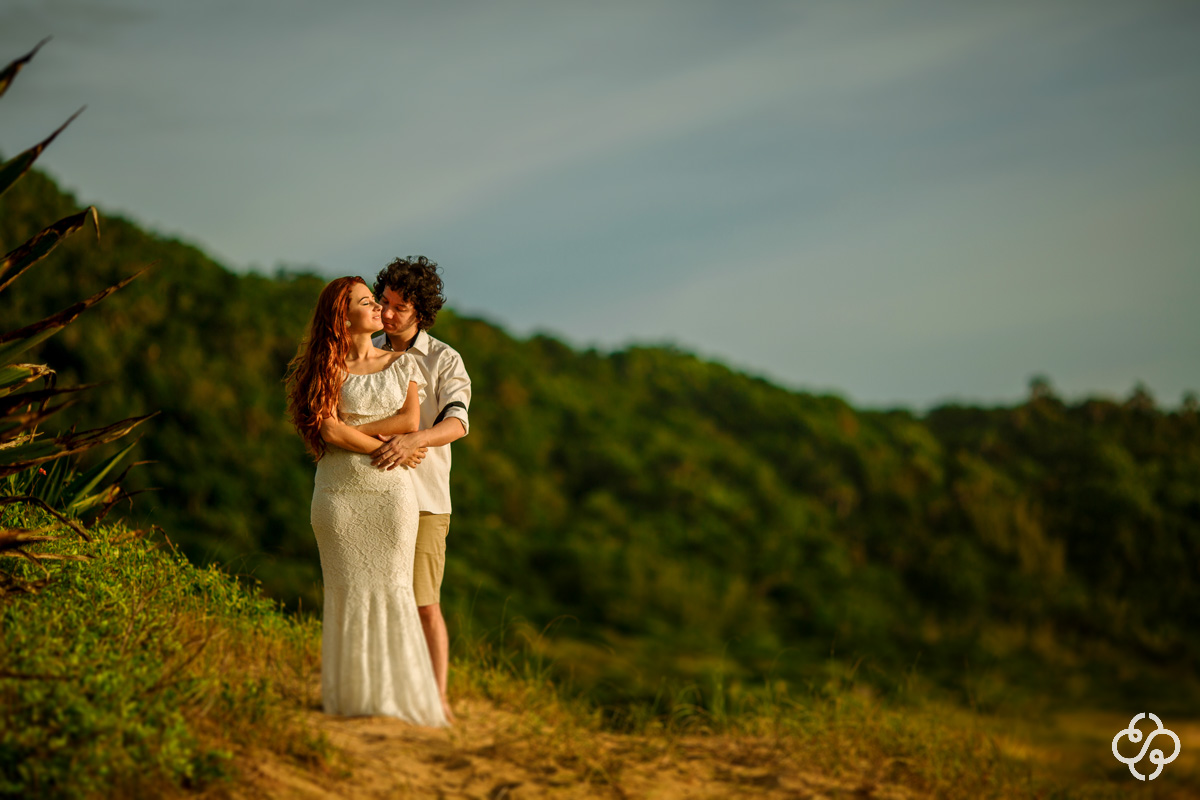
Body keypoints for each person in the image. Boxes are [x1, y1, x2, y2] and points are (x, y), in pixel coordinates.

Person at [284, 276, 446, 727]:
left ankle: (398, 701)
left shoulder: (401, 361)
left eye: (376, 301)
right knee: (347, 592)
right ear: (343, 316)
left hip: (390, 496)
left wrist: (360, 430)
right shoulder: (326, 367)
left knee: (395, 588)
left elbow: (409, 419)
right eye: (366, 302)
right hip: (338, 495)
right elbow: (329, 430)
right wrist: (384, 446)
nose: (378, 308)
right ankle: (352, 698)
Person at [369, 256, 470, 725]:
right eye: (384, 303)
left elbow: (457, 423)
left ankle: (437, 699)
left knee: (424, 602)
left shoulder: (444, 359)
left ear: (421, 312)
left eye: (399, 307)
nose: (387, 315)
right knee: (376, 599)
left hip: (427, 500)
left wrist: (415, 439)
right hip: (369, 494)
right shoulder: (364, 350)